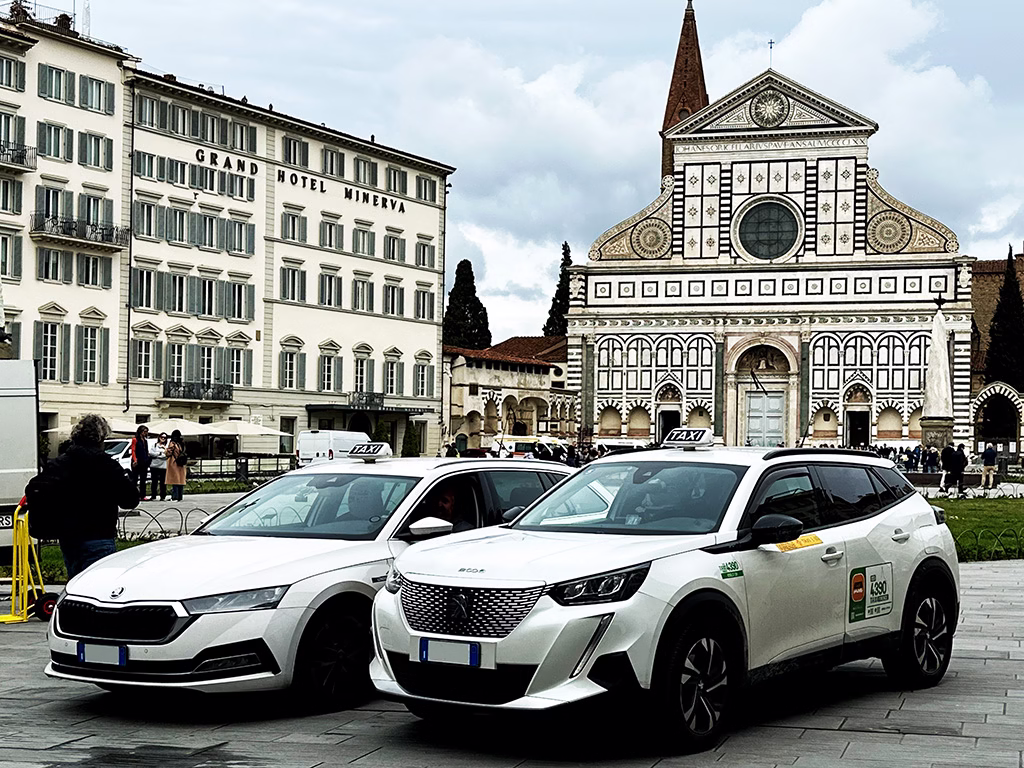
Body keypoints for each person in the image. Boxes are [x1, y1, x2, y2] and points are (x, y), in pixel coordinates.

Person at [26, 414, 139, 579]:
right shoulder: (107, 465)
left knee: (76, 587)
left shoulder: (61, 463)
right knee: (99, 590)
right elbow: (130, 500)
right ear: (101, 438)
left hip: (69, 537)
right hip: (99, 536)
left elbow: (35, 487)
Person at [165, 430, 187, 502]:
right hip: (182, 462)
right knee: (180, 480)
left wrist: (165, 450)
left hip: (174, 462)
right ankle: (180, 496)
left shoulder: (173, 443)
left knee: (175, 480)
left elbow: (169, 453)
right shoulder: (182, 442)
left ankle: (175, 497)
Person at [130, 425, 151, 501]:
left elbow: (146, 451)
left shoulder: (145, 441)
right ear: (140, 432)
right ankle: (133, 495)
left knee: (143, 479)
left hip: (144, 462)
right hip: (137, 461)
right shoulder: (135, 440)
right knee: (135, 479)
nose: (146, 433)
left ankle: (142, 495)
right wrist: (135, 460)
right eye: (144, 432)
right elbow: (133, 450)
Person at [150, 432, 169, 502]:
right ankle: (153, 495)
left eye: (164, 437)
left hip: (163, 466)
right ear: (159, 437)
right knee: (154, 481)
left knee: (163, 482)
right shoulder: (154, 445)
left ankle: (163, 496)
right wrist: (160, 453)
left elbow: (167, 455)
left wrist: (159, 454)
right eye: (162, 437)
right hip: (154, 465)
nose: (163, 439)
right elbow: (151, 453)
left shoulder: (166, 446)